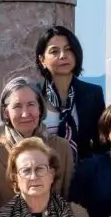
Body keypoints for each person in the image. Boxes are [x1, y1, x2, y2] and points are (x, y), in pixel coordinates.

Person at [0, 76, 76, 217]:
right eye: (17, 106)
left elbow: (69, 202)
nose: (25, 114)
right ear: (6, 112)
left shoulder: (61, 147)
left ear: (40, 109)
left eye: (31, 104)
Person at [37, 24, 106, 160]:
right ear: (42, 60)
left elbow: (101, 141)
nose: (63, 56)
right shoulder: (35, 94)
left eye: (68, 49)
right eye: (54, 51)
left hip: (84, 174)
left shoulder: (93, 94)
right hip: (42, 173)